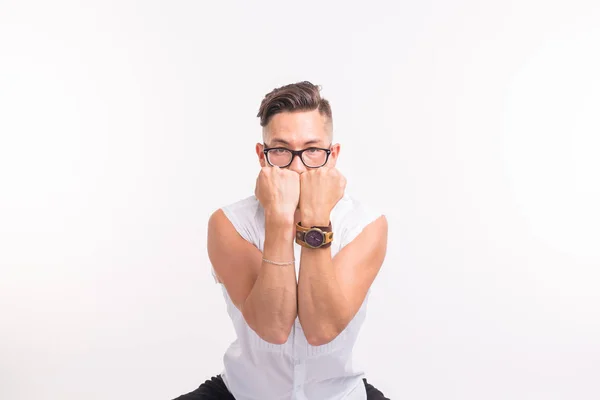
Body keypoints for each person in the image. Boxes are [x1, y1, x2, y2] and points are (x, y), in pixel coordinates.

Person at [174, 81, 390, 399]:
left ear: (334, 156)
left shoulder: (365, 224)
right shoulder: (229, 223)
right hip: (242, 392)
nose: (298, 166)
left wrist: (316, 219)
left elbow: (321, 330)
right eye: (281, 151)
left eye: (313, 150)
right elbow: (273, 328)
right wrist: (279, 217)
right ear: (263, 156)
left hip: (341, 394)